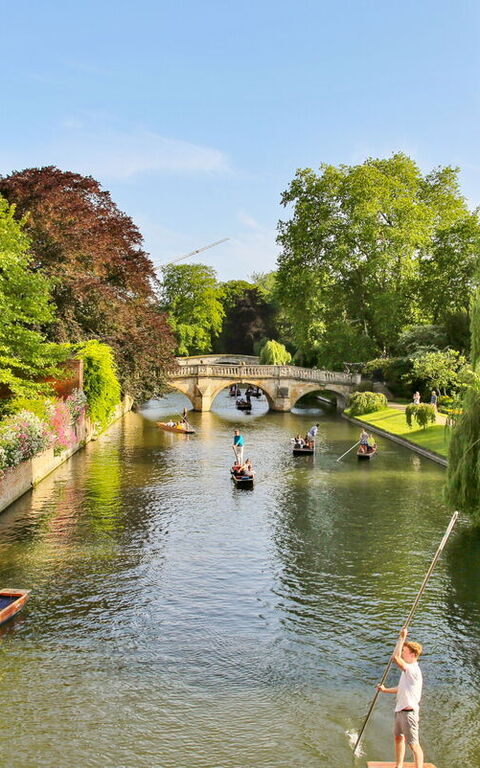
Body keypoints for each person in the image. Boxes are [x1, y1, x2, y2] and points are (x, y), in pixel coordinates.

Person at [376, 627, 424, 768]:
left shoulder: (413, 669)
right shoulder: (407, 671)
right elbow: (401, 689)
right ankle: (399, 766)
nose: (402, 653)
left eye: (405, 651)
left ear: (413, 654)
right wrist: (385, 690)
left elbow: (395, 658)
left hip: (409, 713)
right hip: (400, 710)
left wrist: (402, 638)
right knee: (398, 738)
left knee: (414, 745)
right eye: (403, 651)